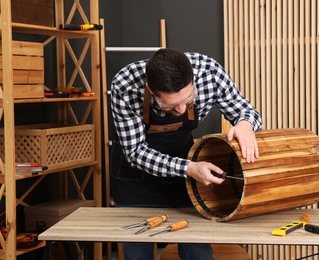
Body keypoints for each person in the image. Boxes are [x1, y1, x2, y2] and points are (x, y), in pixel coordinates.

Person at [110, 48, 262, 260]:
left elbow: (247, 111)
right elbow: (135, 152)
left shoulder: (209, 72)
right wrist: (189, 168)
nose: (181, 110)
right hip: (136, 179)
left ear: (192, 79)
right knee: (137, 253)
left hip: (187, 175)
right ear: (150, 90)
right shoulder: (125, 85)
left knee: (197, 252)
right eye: (171, 105)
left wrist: (246, 123)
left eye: (188, 99)